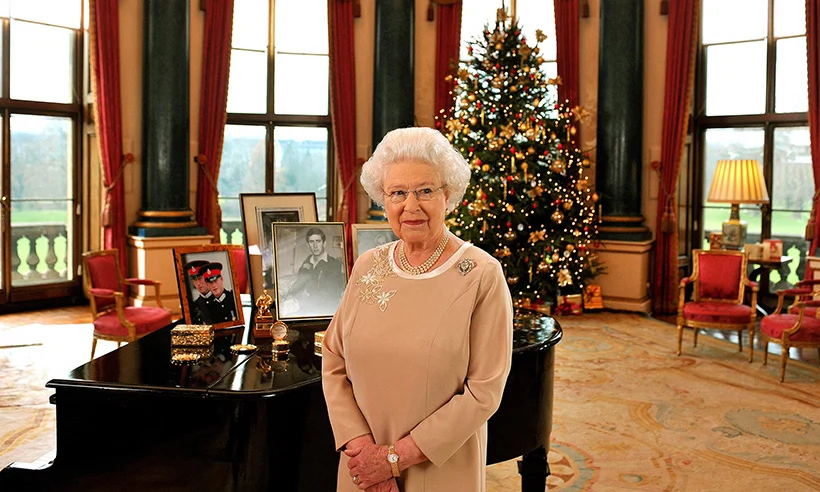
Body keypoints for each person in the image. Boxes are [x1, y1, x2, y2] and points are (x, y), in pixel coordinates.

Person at [322, 127, 513, 492]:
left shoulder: (481, 275)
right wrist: (363, 450)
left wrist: (393, 460)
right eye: (397, 193)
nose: (411, 206)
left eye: (425, 190)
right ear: (383, 199)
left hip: (440, 468)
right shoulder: (367, 265)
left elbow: (484, 393)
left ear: (448, 195)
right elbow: (333, 359)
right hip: (361, 466)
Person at [284, 227, 346, 317]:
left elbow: (330, 293)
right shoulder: (307, 261)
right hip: (308, 306)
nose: (315, 246)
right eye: (311, 242)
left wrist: (302, 302)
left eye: (318, 241)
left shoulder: (334, 264)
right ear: (308, 244)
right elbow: (299, 282)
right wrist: (290, 295)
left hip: (326, 309)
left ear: (324, 243)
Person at [184, 259, 213, 324]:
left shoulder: (223, 299)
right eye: (194, 279)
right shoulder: (194, 306)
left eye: (200, 278)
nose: (198, 283)